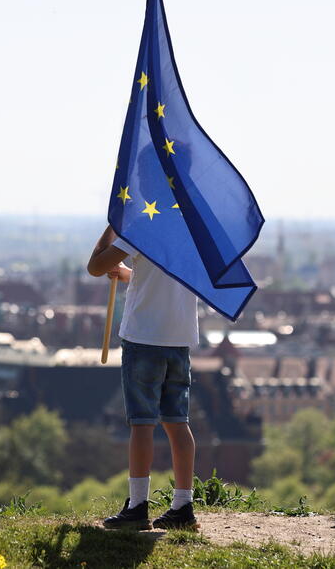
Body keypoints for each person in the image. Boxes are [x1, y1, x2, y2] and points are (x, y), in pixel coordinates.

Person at [87, 224, 199, 530]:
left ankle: (137, 506)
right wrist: (126, 274)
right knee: (178, 422)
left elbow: (96, 266)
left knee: (141, 423)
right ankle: (183, 506)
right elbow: (163, 279)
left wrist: (113, 225)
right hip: (179, 338)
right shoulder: (191, 231)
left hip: (144, 338)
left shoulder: (141, 228)